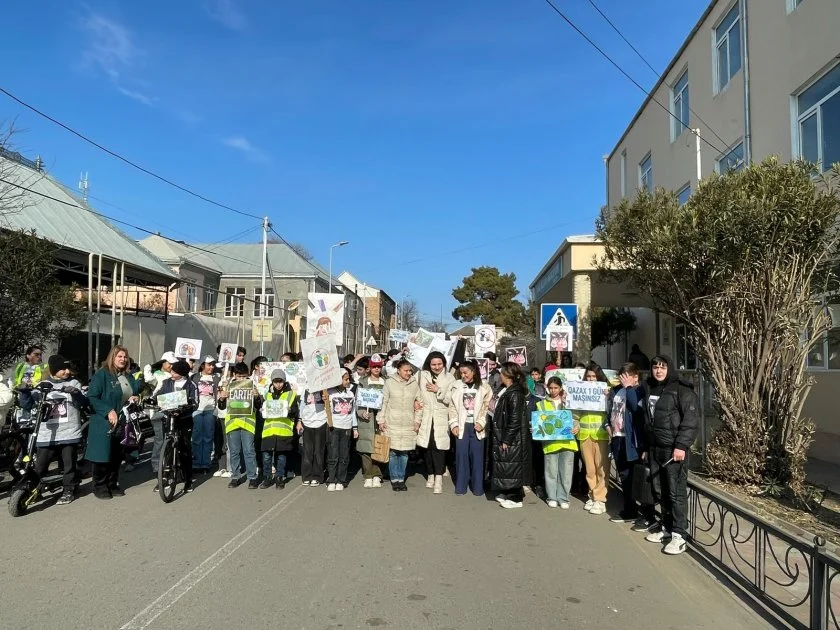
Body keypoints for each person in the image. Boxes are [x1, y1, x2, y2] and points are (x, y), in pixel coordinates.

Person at [642, 355, 699, 555]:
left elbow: (690, 422)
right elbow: (647, 421)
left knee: (676, 493)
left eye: (663, 367)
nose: (658, 370)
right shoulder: (649, 388)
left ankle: (679, 535)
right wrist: (646, 447)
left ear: (670, 368)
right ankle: (666, 528)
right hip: (655, 448)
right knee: (660, 491)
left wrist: (681, 446)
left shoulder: (682, 390)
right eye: (655, 367)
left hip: (673, 450)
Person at [86, 345, 142, 499]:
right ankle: (99, 486)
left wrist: (132, 398)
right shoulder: (102, 375)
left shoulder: (127, 376)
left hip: (122, 421)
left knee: (116, 456)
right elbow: (91, 397)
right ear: (112, 357)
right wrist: (108, 410)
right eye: (119, 356)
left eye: (125, 357)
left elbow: (129, 393)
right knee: (102, 455)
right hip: (104, 422)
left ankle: (112, 483)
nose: (123, 359)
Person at [34, 355, 88, 505]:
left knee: (68, 464)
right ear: (53, 370)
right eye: (62, 369)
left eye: (67, 368)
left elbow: (83, 403)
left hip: (68, 432)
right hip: (47, 434)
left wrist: (76, 393)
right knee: (40, 465)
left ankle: (69, 489)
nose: (66, 371)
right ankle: (34, 489)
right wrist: (25, 394)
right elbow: (31, 404)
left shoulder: (74, 382)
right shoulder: (43, 384)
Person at [607, 363, 654, 525]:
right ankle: (629, 510)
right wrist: (608, 425)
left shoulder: (640, 391)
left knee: (639, 478)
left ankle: (648, 515)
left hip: (633, 440)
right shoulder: (616, 391)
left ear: (636, 377)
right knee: (624, 477)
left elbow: (636, 408)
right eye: (621, 377)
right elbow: (611, 411)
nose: (623, 380)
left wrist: (628, 388)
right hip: (618, 438)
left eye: (627, 377)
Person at [491, 362, 532, 509]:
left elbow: (515, 420)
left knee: (513, 466)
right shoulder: (506, 390)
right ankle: (508, 492)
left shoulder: (515, 393)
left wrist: (507, 439)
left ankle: (516, 497)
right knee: (508, 465)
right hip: (503, 433)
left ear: (508, 375)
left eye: (501, 373)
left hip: (514, 438)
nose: (500, 375)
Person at [448, 360, 492, 496]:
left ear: (473, 372)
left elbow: (487, 407)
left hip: (477, 426)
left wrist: (481, 422)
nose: (463, 375)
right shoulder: (456, 386)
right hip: (462, 426)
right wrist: (454, 424)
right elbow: (452, 407)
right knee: (461, 456)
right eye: (461, 373)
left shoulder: (484, 386)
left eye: (465, 372)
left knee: (477, 456)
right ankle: (461, 486)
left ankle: (477, 487)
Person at [155, 360, 198, 492]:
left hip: (184, 419)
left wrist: (187, 406)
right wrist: (153, 400)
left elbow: (195, 402)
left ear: (182, 373)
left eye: (174, 372)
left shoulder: (191, 384)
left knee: (185, 448)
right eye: (172, 371)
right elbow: (158, 395)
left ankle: (188, 480)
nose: (172, 373)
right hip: (170, 418)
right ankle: (164, 478)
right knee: (167, 447)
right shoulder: (167, 382)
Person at [537, 376, 579, 509]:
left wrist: (576, 427)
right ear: (547, 388)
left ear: (561, 388)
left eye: (556, 387)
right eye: (551, 388)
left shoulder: (568, 402)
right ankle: (552, 497)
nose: (553, 390)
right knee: (551, 471)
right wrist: (535, 427)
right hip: (551, 443)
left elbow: (576, 419)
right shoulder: (541, 403)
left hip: (568, 442)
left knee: (566, 473)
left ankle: (563, 497)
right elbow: (539, 422)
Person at [415, 351, 455, 494]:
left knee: (439, 449)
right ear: (429, 364)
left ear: (444, 363)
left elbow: (452, 399)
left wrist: (439, 390)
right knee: (426, 447)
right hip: (425, 416)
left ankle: (438, 478)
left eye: (439, 364)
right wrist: (416, 403)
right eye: (433, 364)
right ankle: (430, 474)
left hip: (441, 416)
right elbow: (415, 392)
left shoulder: (450, 378)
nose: (437, 367)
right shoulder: (422, 375)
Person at [217, 362, 261, 489]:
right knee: (234, 451)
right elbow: (221, 406)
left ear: (247, 375)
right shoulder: (228, 386)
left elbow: (258, 405)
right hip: (232, 423)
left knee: (249, 451)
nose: (241, 379)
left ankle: (252, 477)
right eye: (239, 376)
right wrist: (222, 398)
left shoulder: (252, 385)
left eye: (244, 376)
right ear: (234, 375)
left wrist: (257, 396)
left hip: (248, 423)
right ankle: (235, 476)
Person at [576, 362, 612, 516]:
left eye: (594, 377)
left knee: (602, 467)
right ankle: (592, 494)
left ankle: (600, 498)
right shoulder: (580, 390)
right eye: (588, 376)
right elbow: (575, 412)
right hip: (584, 434)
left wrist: (608, 397)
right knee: (589, 469)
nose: (591, 379)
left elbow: (613, 411)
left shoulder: (607, 392)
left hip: (601, 434)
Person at [379, 359, 419, 491]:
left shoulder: (414, 384)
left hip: (408, 423)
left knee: (404, 453)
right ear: (398, 370)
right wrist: (381, 420)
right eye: (405, 370)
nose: (409, 372)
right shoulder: (389, 382)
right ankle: (394, 478)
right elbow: (383, 402)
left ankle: (401, 479)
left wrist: (417, 421)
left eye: (410, 370)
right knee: (393, 452)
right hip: (392, 422)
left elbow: (420, 404)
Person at [260, 369, 299, 489]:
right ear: (272, 382)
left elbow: (295, 412)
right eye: (276, 382)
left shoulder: (291, 395)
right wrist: (262, 410)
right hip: (268, 431)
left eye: (280, 381)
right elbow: (261, 409)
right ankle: (267, 478)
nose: (278, 384)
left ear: (284, 381)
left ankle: (279, 478)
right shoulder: (267, 395)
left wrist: (289, 410)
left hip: (283, 431)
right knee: (266, 456)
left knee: (281, 456)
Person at [356, 354, 387, 488]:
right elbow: (358, 403)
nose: (376, 369)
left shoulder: (386, 382)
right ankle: (368, 475)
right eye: (374, 366)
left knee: (379, 447)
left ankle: (377, 475)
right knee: (366, 449)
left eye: (378, 366)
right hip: (367, 420)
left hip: (381, 419)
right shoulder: (363, 382)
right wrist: (362, 413)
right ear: (369, 367)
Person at [326, 368, 358, 491]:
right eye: (345, 379)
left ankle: (341, 479)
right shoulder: (329, 393)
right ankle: (332, 479)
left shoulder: (350, 394)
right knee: (333, 454)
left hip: (347, 427)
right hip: (334, 427)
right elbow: (326, 409)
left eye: (348, 379)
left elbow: (353, 412)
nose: (347, 381)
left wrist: (355, 428)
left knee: (344, 455)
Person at [144, 351, 175, 477]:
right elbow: (148, 379)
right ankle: (156, 465)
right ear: (163, 363)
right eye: (169, 363)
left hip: (172, 410)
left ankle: (168, 462)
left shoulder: (174, 375)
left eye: (174, 364)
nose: (171, 366)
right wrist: (148, 367)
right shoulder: (157, 375)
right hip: (158, 410)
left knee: (170, 438)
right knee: (159, 439)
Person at [192, 356, 218, 475]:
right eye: (209, 364)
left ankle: (206, 463)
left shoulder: (217, 378)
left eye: (213, 365)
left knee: (208, 437)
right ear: (203, 365)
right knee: (197, 437)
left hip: (210, 410)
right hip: (197, 410)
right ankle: (197, 463)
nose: (211, 367)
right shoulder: (195, 377)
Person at [298, 389, 328, 487]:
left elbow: (329, 404)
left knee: (318, 450)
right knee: (307, 450)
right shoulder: (306, 389)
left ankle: (317, 476)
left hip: (321, 421)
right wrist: (299, 421)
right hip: (307, 422)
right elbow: (302, 405)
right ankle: (306, 476)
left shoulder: (324, 388)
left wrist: (325, 399)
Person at [11, 344, 45, 415]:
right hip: (22, 394)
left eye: (40, 355)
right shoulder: (20, 366)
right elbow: (15, 380)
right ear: (28, 355)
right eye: (36, 354)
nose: (39, 357)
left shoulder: (43, 367)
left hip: (36, 396)